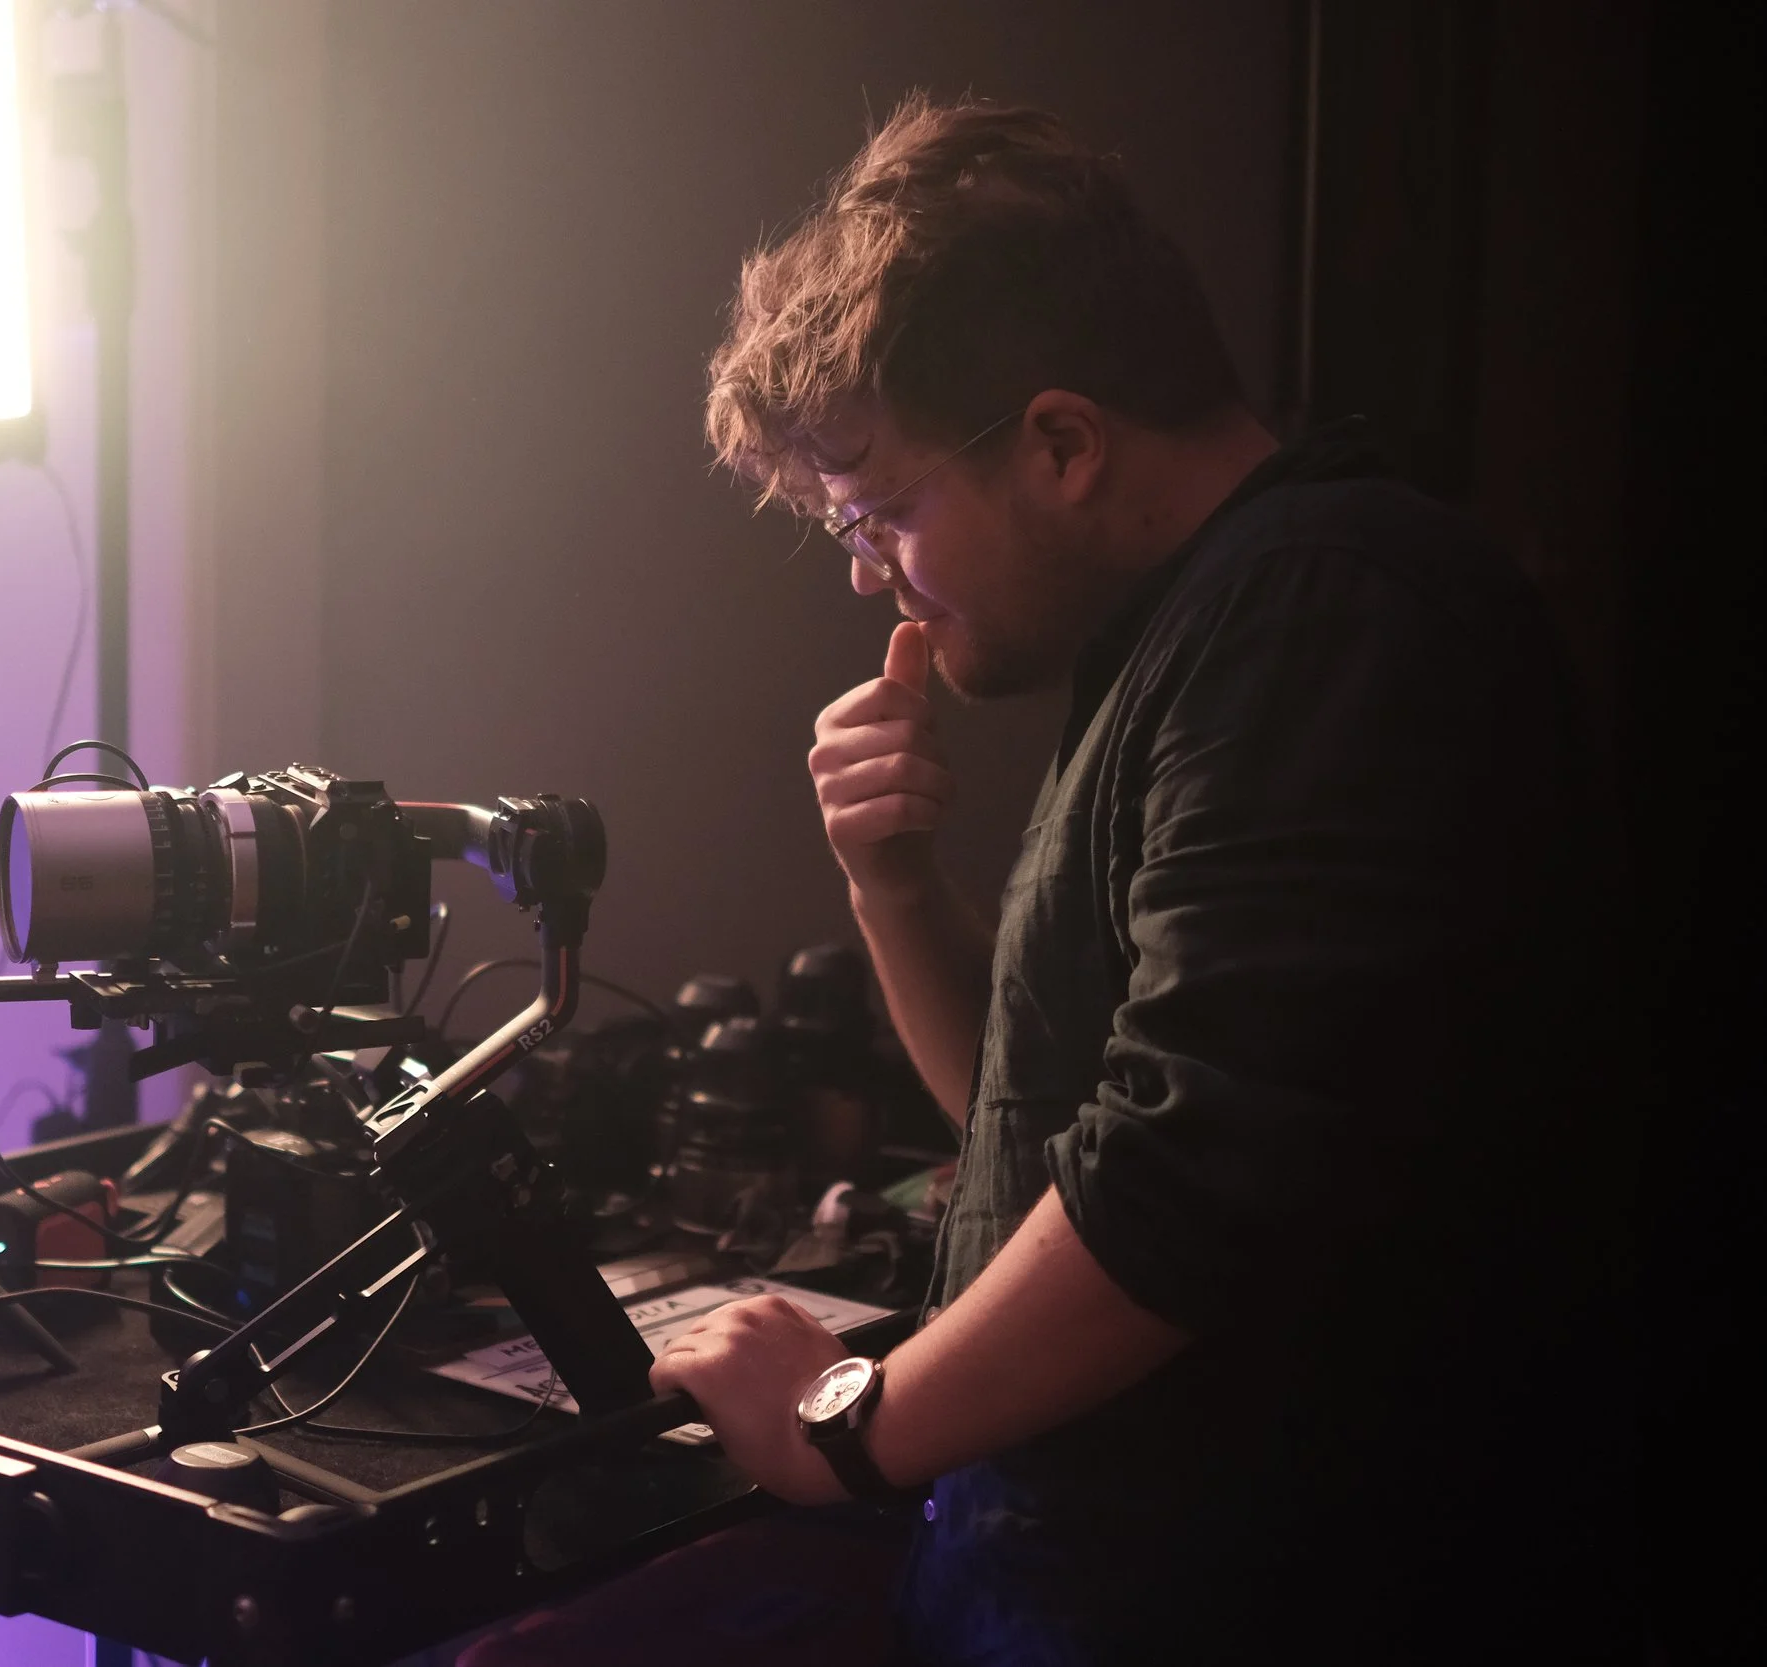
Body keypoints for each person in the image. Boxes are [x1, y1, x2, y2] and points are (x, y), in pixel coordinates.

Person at [646, 94, 1628, 1663]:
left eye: (884, 511)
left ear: (1062, 443)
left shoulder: (1321, 607)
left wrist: (848, 1421)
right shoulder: (1192, 632)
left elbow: (1189, 1180)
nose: (869, 571)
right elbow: (1047, 1137)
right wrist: (891, 885)